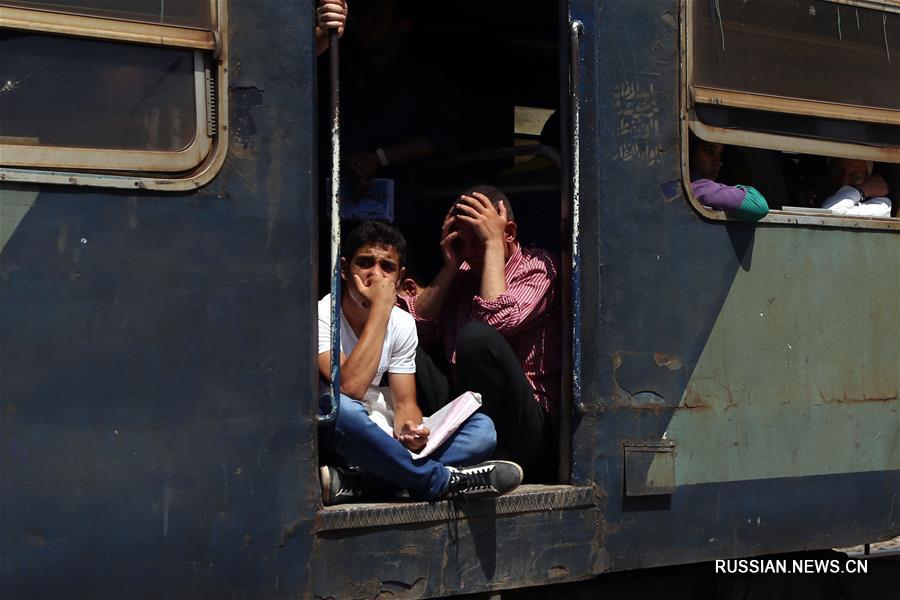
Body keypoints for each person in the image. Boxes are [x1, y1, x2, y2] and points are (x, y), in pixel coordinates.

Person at [317, 221, 523, 504]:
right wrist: (380, 308)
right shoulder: (321, 315)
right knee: (340, 409)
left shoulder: (401, 323)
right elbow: (350, 386)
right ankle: (438, 480)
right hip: (343, 435)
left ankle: (364, 480)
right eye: (365, 263)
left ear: (400, 278)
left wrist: (412, 429)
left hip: (383, 435)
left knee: (482, 430)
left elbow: (404, 404)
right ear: (343, 269)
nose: (375, 276)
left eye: (386, 267)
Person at [403, 186, 561, 480]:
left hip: (526, 430)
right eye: (463, 243)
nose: (470, 253)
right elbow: (416, 328)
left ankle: (488, 456)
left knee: (476, 337)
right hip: (467, 414)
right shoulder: (461, 274)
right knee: (406, 345)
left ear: (509, 233)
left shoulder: (540, 268)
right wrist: (450, 266)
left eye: (479, 240)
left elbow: (497, 321)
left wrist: (492, 247)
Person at [689, 135, 769, 221]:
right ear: (690, 153)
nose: (718, 162)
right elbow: (758, 205)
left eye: (720, 154)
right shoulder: (698, 187)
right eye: (709, 151)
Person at [820, 158, 892, 218]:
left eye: (857, 177)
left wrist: (862, 191)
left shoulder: (881, 206)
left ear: (868, 180)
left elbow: (830, 214)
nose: (844, 182)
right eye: (838, 172)